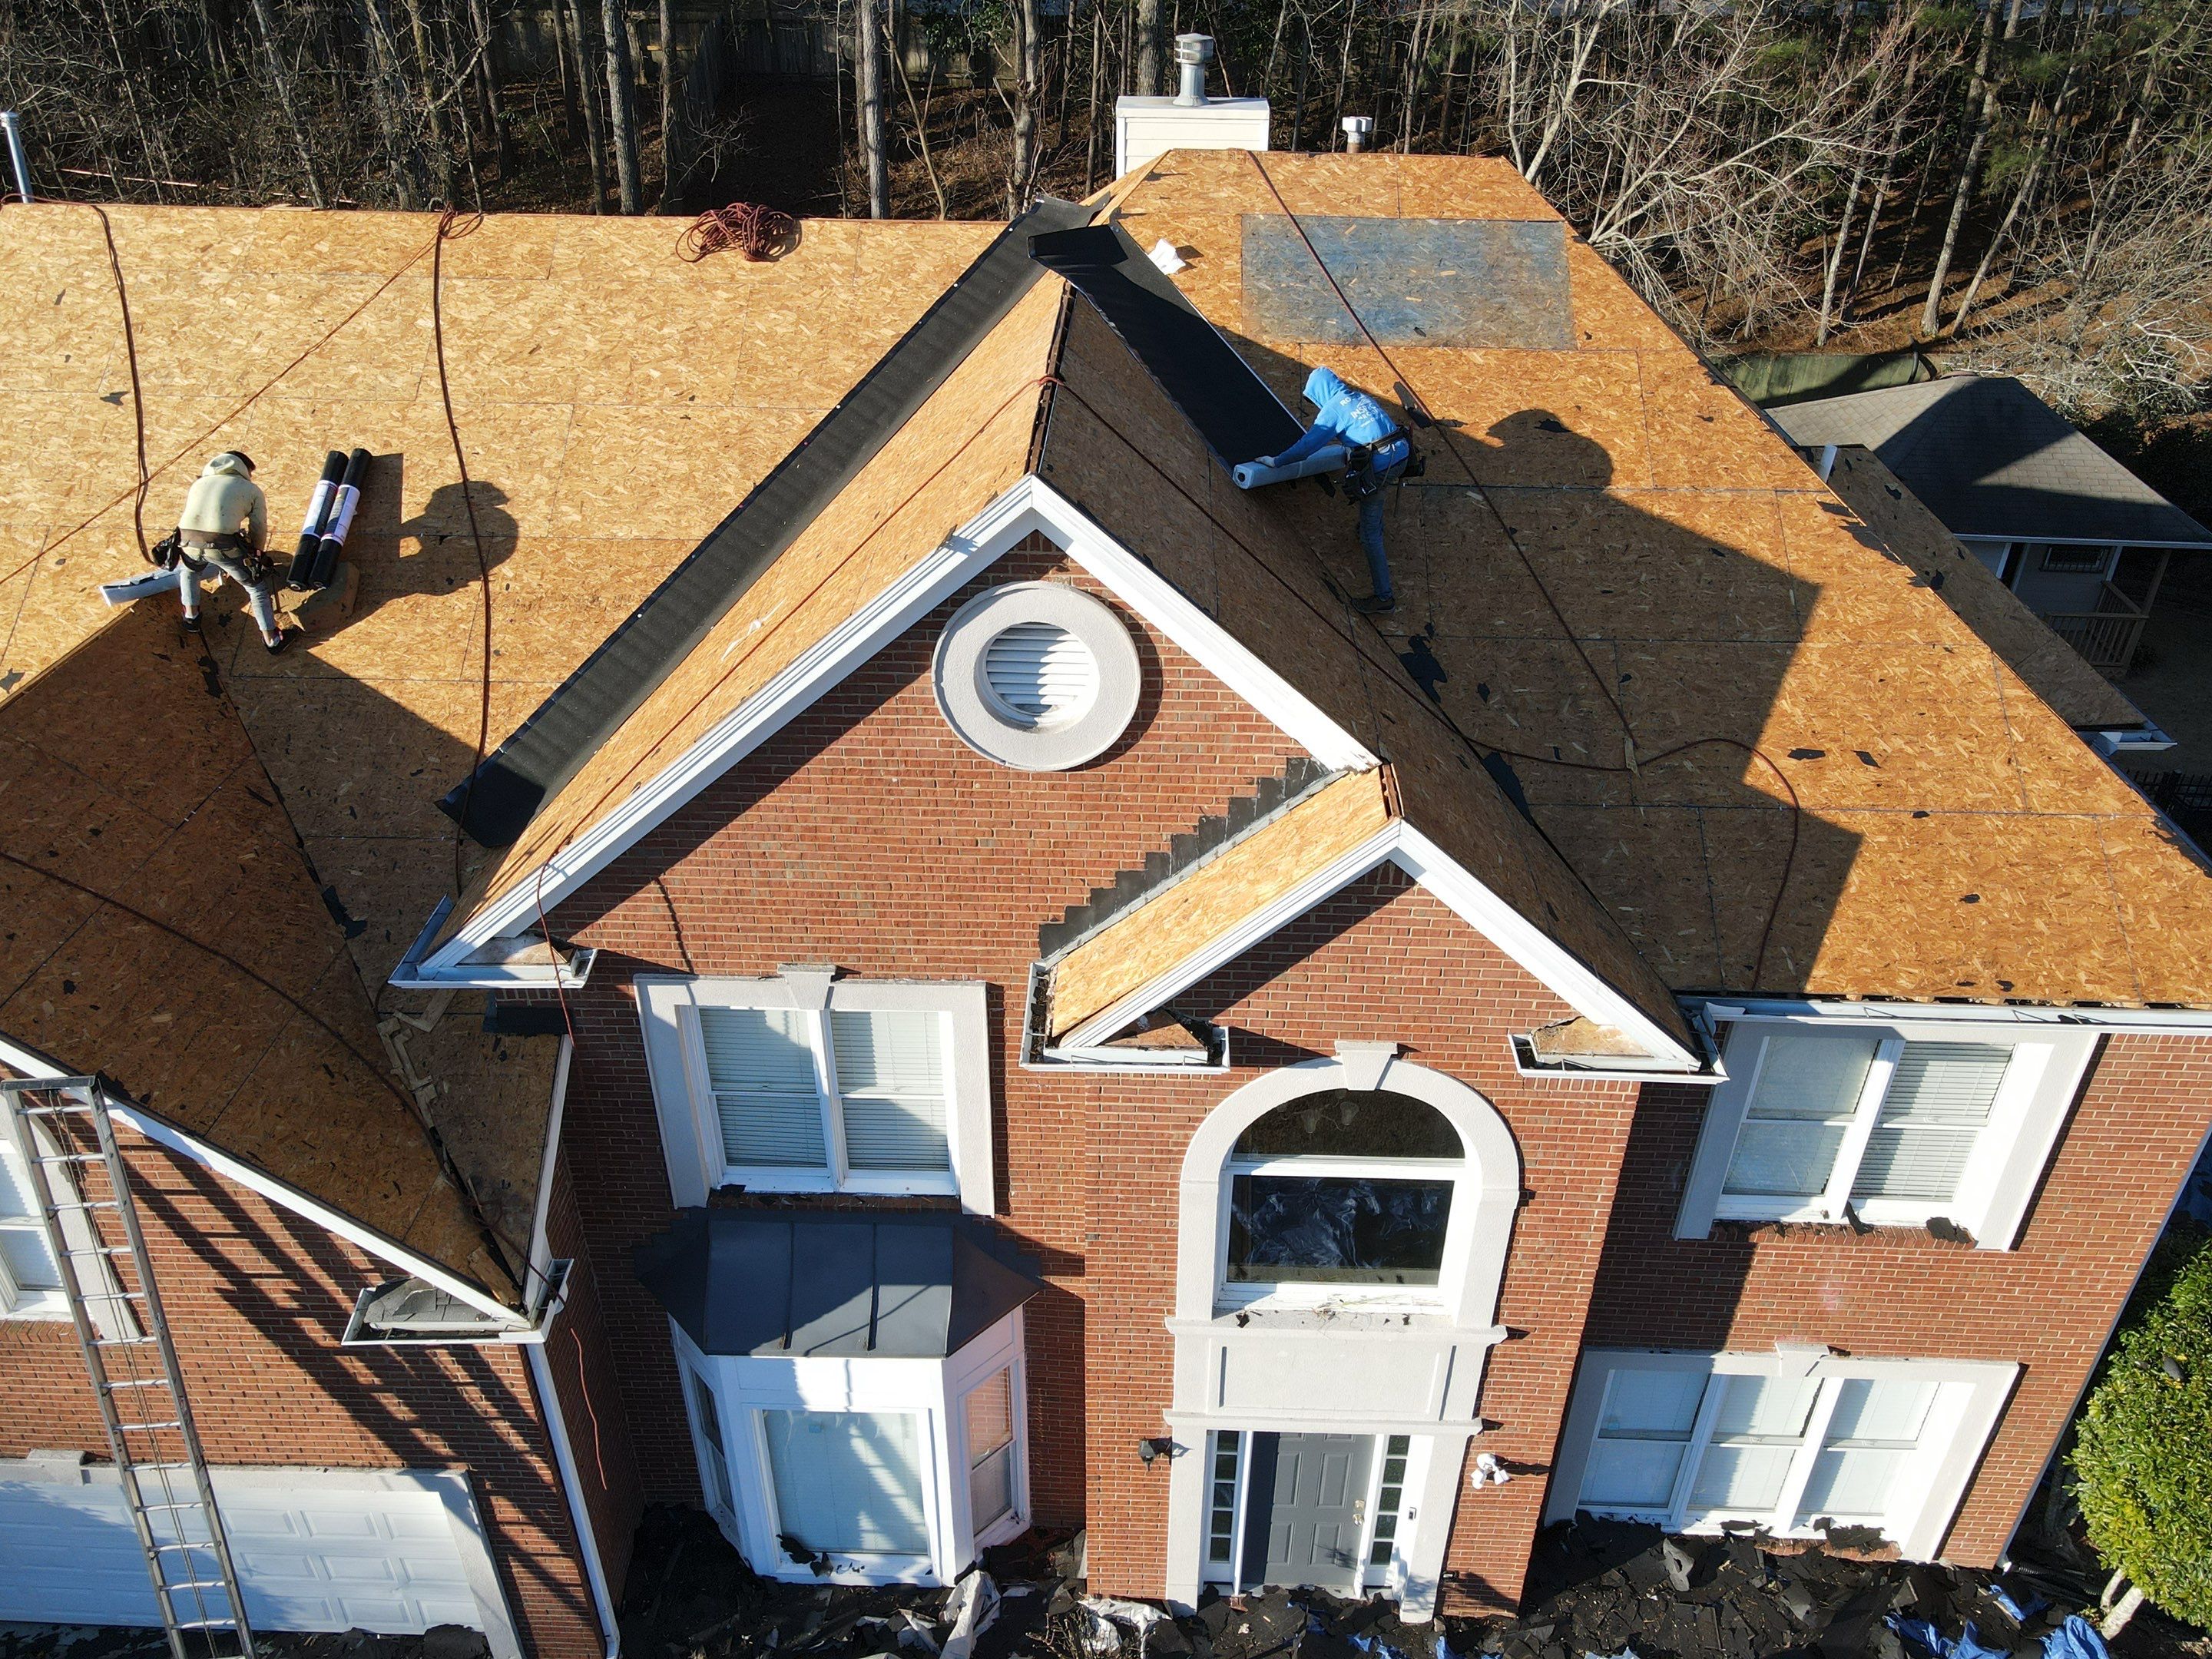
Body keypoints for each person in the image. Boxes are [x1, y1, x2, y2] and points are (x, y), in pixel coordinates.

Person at [1255, 366, 1412, 614]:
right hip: (1402, 455)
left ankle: (1385, 598)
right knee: (1375, 499)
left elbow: (1307, 447)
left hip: (1381, 466)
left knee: (1370, 535)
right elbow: (1370, 429)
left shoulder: (1334, 410)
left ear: (1320, 391)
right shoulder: (1359, 397)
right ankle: (1369, 526)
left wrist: (1277, 462)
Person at [175, 451, 286, 654]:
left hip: (187, 541)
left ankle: (191, 617)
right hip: (222, 546)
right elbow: (258, 527)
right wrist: (257, 554)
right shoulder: (250, 489)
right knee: (255, 588)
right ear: (244, 469)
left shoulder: (198, 484)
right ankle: (272, 640)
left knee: (190, 571)